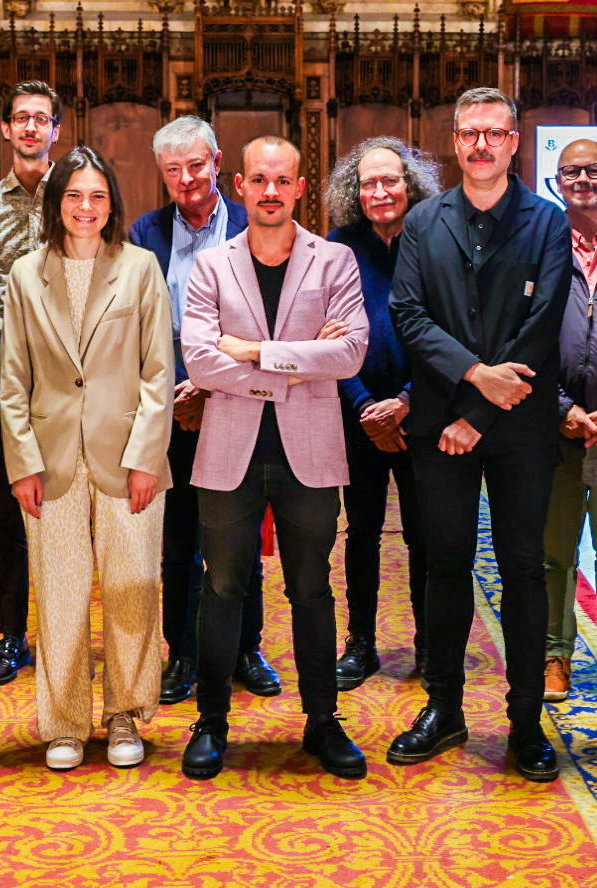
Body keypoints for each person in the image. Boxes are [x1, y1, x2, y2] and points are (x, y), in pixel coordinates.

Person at [387, 87, 571, 783]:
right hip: (440, 427)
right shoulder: (423, 222)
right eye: (470, 134)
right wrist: (472, 376)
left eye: (495, 133)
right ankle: (444, 710)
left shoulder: (548, 224)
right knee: (443, 567)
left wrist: (483, 410)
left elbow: (543, 327)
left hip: (517, 428)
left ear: (514, 142)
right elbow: (409, 316)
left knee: (524, 570)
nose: (482, 145)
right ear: (454, 140)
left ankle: (525, 722)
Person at [178, 136, 370, 781]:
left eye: (281, 180)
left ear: (298, 187)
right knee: (223, 588)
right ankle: (210, 722)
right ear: (239, 185)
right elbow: (200, 360)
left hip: (308, 454)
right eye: (258, 179)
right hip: (228, 453)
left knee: (312, 591)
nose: (269, 191)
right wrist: (295, 363)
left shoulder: (334, 260)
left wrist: (254, 353)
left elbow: (349, 356)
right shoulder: (210, 265)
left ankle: (323, 721)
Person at [0, 147, 175, 770]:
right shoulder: (25, 275)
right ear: (56, 203)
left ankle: (125, 714)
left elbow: (158, 372)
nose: (85, 207)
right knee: (60, 592)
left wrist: (147, 457)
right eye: (73, 195)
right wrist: (21, 463)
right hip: (50, 461)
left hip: (128, 458)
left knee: (132, 587)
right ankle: (65, 723)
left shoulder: (140, 268)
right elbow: (12, 378)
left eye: (97, 196)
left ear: (112, 204)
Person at [128, 116, 277, 706]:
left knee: (241, 533)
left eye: (196, 165)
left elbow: (272, 319)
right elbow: (136, 324)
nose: (186, 179)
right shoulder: (147, 230)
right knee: (180, 538)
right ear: (162, 174)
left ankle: (246, 647)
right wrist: (176, 392)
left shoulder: (251, 223)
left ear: (218, 163)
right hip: (170, 410)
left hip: (239, 403)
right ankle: (183, 652)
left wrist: (212, 387)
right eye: (173, 170)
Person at [323, 138, 441, 688]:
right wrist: (367, 405)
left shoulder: (435, 241)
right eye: (367, 183)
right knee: (362, 531)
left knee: (424, 532)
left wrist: (409, 401)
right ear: (355, 191)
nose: (379, 191)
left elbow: (449, 335)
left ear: (410, 184)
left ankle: (427, 642)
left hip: (424, 411)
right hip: (357, 413)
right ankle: (361, 642)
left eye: (389, 180)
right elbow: (322, 338)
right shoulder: (337, 247)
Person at [0, 80, 64, 688]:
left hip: (69, 377)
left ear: (56, 130)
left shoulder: (78, 195)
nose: (30, 128)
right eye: (21, 119)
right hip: (8, 379)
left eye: (42, 119)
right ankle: (11, 634)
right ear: (5, 129)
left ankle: (65, 628)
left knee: (69, 511)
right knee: (9, 513)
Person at [542, 140, 597, 704]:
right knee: (555, 549)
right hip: (553, 429)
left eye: (593, 170)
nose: (583, 180)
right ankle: (556, 654)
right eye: (571, 172)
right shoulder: (540, 250)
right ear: (556, 182)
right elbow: (519, 337)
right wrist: (560, 408)